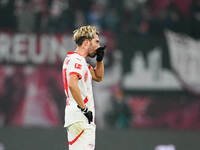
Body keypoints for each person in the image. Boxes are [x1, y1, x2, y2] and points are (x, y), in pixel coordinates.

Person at [62, 25, 105, 150]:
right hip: (81, 116)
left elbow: (98, 77)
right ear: (86, 42)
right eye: (96, 42)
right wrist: (84, 109)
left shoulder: (80, 62)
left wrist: (100, 59)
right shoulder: (77, 60)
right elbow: (72, 84)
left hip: (78, 117)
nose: (98, 46)